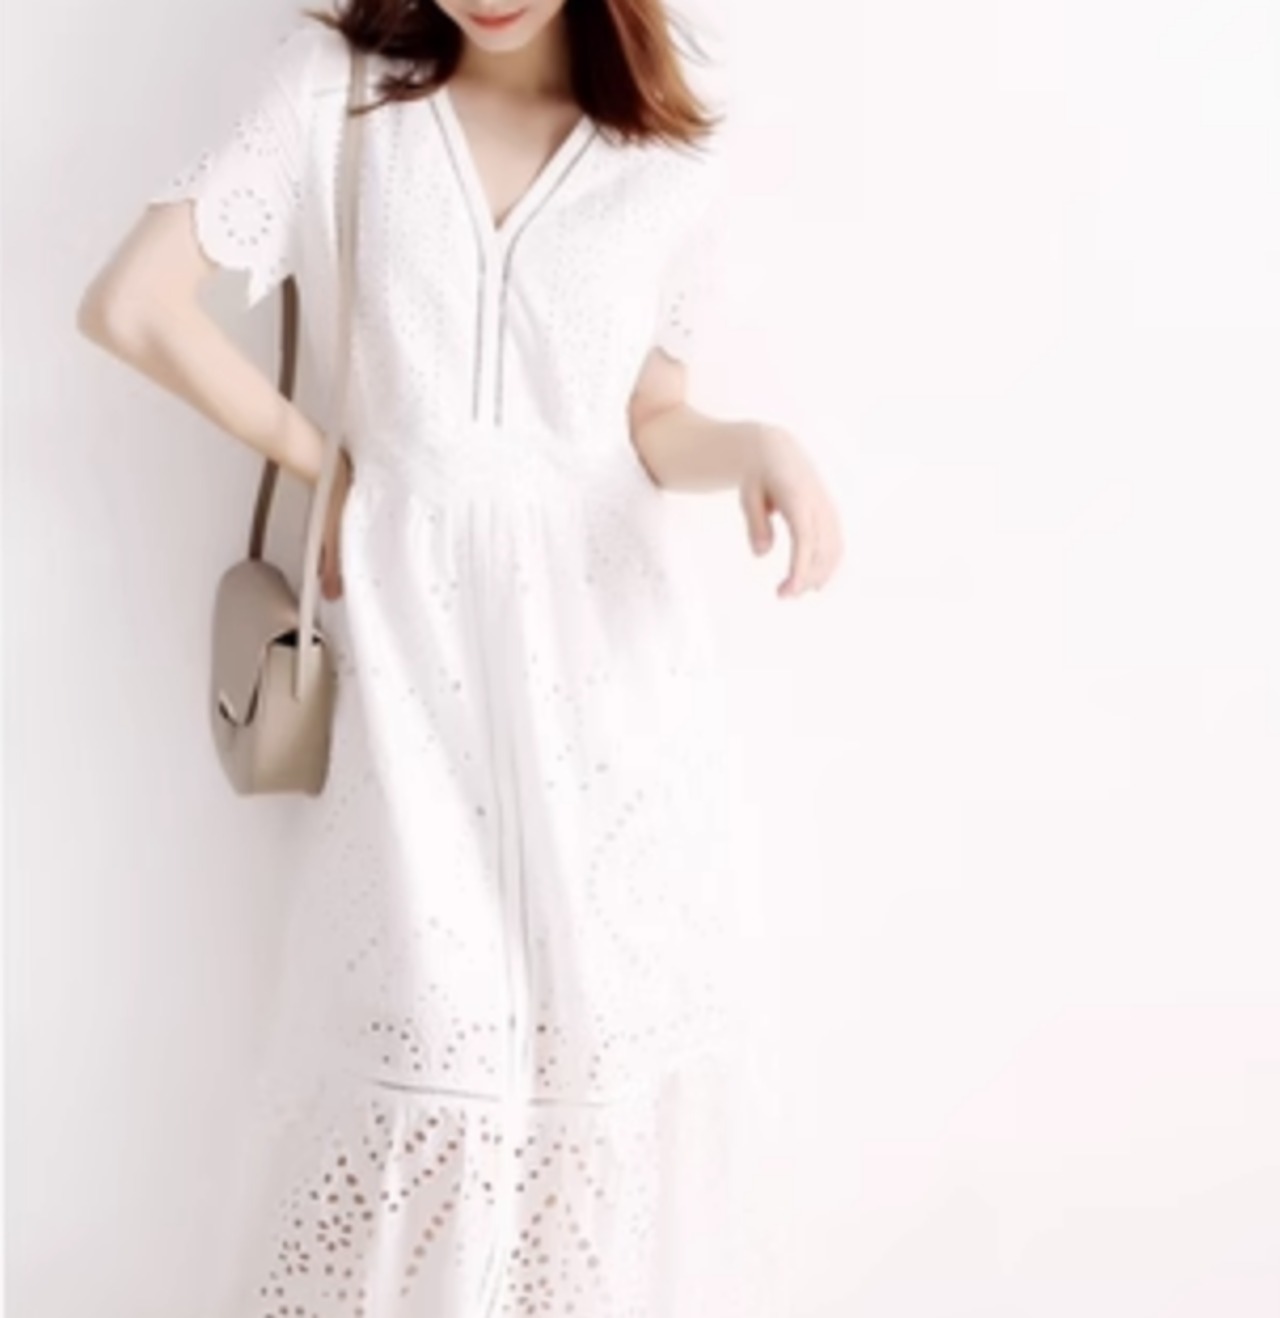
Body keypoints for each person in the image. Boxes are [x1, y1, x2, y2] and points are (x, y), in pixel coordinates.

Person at [77, 1, 843, 1314]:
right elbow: (131, 305)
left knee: (597, 1088)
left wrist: (759, 448)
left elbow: (649, 417)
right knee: (426, 1063)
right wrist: (329, 469)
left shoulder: (668, 151)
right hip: (412, 673)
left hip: (615, 697)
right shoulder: (331, 93)